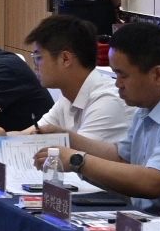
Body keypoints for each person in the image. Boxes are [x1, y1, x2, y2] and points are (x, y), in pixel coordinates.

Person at [34, 21, 160, 231]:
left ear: (157, 75)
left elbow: (153, 183)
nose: (117, 84)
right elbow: (122, 156)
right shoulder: (150, 101)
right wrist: (69, 138)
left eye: (123, 75)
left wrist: (78, 160)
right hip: (155, 224)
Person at [22, 14, 131, 149]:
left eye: (38, 57)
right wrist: (1, 137)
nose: (35, 66)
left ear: (65, 59)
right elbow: (28, 137)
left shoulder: (108, 102)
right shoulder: (68, 96)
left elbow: (77, 158)